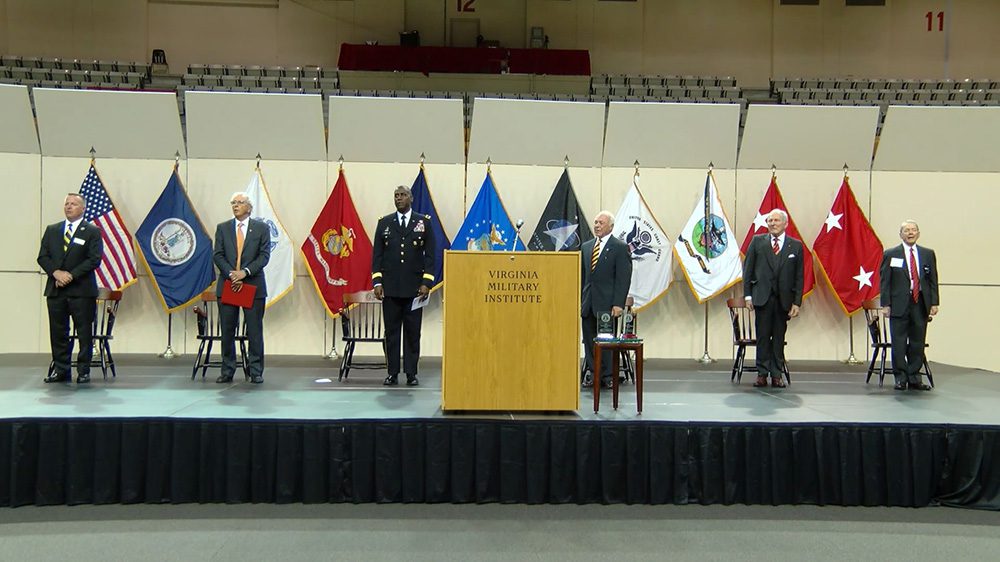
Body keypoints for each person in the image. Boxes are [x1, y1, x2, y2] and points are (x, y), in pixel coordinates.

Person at [371, 185, 436, 387]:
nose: (399, 199)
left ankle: (411, 373)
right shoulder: (385, 223)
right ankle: (391, 373)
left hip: (414, 289)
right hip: (390, 289)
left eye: (403, 195)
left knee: (412, 332)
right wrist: (377, 281)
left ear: (411, 198)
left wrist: (426, 282)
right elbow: (377, 256)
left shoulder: (423, 223)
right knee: (391, 333)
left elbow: (431, 255)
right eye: (396, 195)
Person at [38, 193, 104, 384]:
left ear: (82, 208)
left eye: (73, 204)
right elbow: (43, 257)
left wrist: (70, 275)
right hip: (56, 289)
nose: (69, 206)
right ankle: (61, 370)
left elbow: (94, 259)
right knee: (58, 332)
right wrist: (56, 273)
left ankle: (83, 371)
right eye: (66, 203)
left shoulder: (92, 231)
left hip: (81, 290)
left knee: (84, 332)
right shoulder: (52, 230)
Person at [213, 192, 271, 384]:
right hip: (229, 284)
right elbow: (218, 255)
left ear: (249, 207)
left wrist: (245, 272)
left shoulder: (261, 228)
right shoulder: (222, 228)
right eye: (233, 203)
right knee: (228, 330)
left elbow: (264, 256)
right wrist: (232, 273)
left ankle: (256, 371)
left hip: (252, 284)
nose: (235, 206)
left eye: (239, 203)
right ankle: (227, 370)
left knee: (254, 330)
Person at [743, 209, 804, 389]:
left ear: (785, 224)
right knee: (762, 336)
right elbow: (748, 270)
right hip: (762, 298)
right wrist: (748, 295)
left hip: (783, 300)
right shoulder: (757, 242)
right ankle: (762, 373)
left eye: (776, 220)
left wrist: (797, 302)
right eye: (770, 220)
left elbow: (799, 276)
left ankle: (776, 374)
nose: (772, 223)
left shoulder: (796, 246)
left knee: (778, 337)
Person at [879, 220, 938, 391]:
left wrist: (934, 302)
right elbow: (885, 282)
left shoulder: (928, 254)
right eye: (906, 230)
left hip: (920, 303)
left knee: (917, 342)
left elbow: (933, 279)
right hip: (898, 304)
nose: (910, 233)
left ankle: (914, 377)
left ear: (918, 233)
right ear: (901, 234)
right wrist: (886, 304)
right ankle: (900, 377)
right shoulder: (891, 254)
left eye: (913, 230)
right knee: (898, 341)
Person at [580, 211, 632, 389]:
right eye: (595, 222)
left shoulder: (619, 247)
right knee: (589, 341)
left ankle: (609, 375)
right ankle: (594, 374)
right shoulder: (586, 247)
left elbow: (623, 278)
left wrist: (619, 303)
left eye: (601, 222)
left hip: (607, 304)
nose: (597, 225)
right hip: (588, 303)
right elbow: (583, 276)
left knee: (607, 341)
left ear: (610, 226)